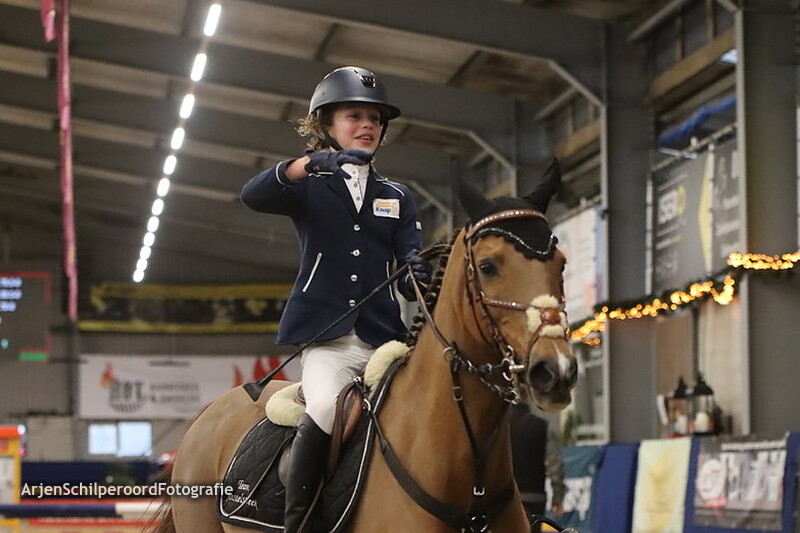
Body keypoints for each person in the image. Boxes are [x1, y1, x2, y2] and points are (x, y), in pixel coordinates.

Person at [240, 66, 432, 533]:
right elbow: (253, 195)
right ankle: (300, 521)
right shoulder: (308, 183)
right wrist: (306, 165)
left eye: (375, 119)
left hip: (384, 338)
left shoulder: (396, 195)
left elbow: (409, 265)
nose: (367, 126)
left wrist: (420, 278)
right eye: (354, 116)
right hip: (330, 339)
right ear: (326, 124)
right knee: (326, 407)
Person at [509, 403, 565, 531]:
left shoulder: (500, 426)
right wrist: (558, 497)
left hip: (504, 499)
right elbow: (555, 464)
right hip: (534, 496)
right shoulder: (542, 425)